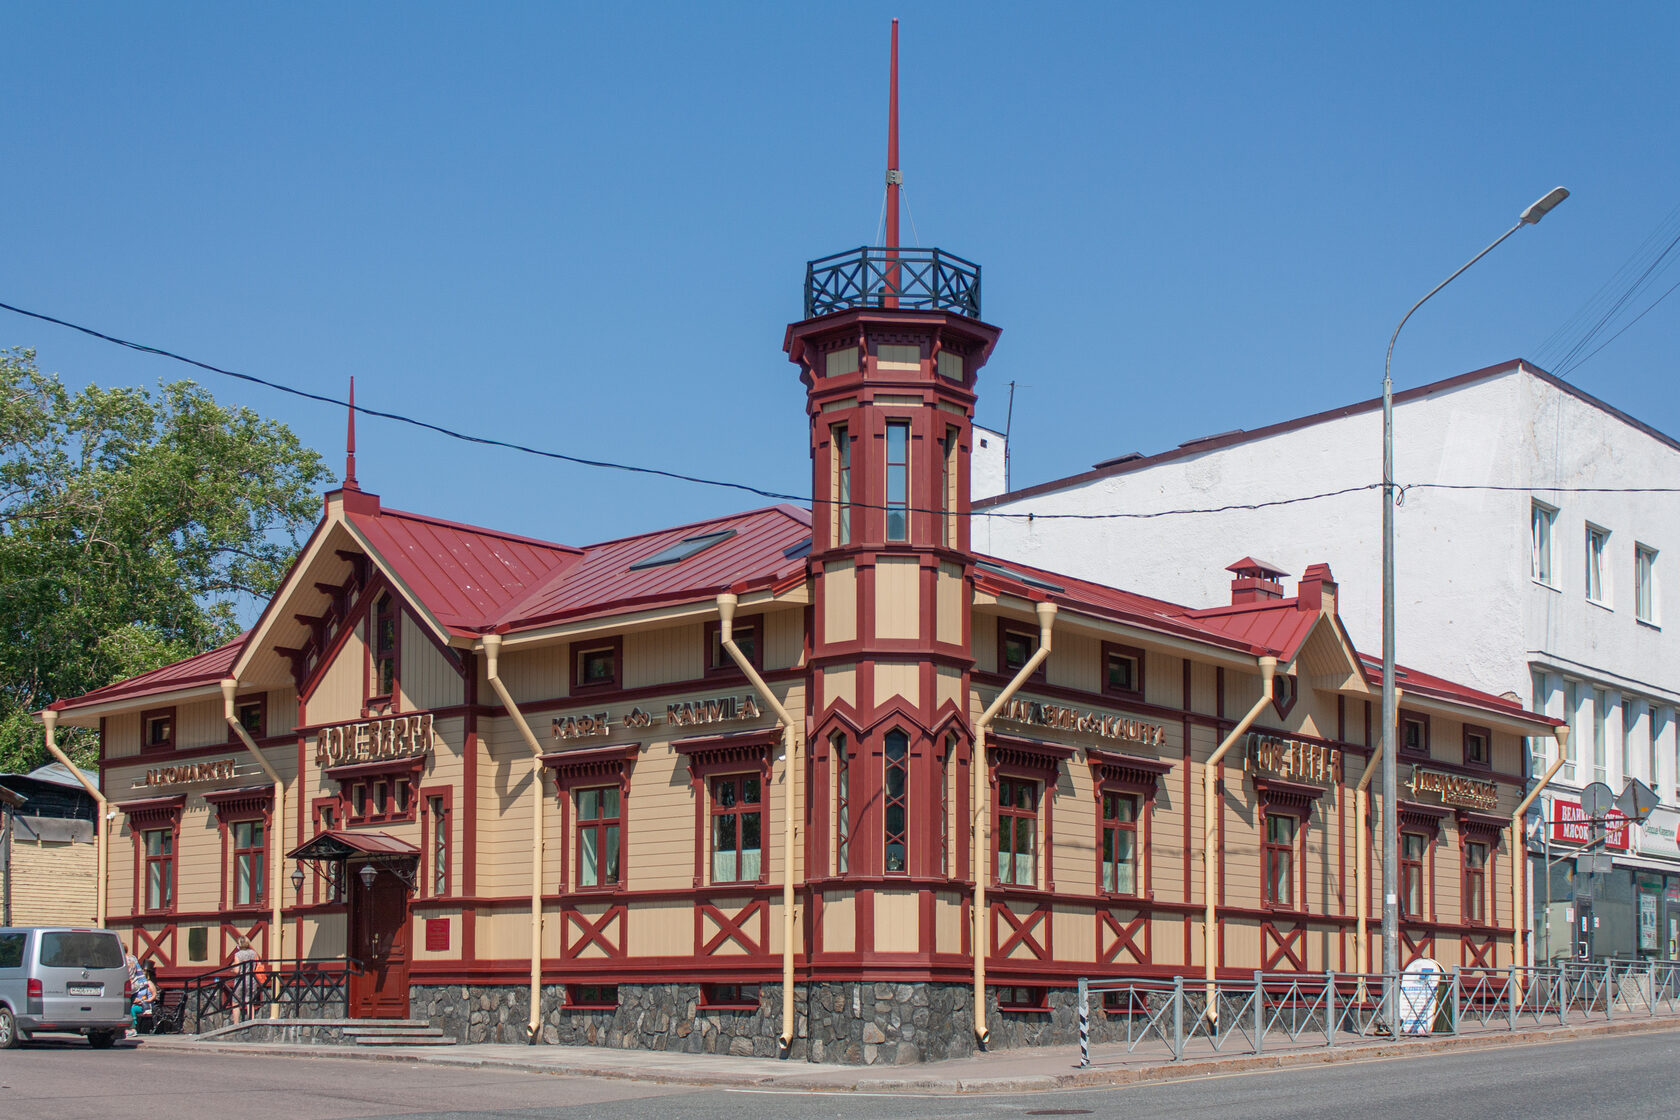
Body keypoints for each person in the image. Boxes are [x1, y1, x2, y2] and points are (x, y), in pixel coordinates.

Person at [231, 936, 260, 1024]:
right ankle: (251, 1021)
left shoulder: (238, 955)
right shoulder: (254, 953)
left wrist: (232, 969)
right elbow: (258, 965)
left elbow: (237, 970)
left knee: (235, 1002)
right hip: (252, 980)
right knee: (249, 1000)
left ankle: (236, 1024)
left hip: (241, 980)